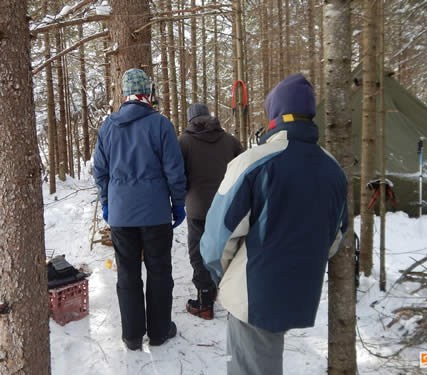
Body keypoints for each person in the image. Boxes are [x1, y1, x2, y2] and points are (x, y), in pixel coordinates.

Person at [200, 74, 348, 374]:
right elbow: (336, 237)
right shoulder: (333, 169)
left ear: (274, 116)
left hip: (252, 292)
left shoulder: (253, 163)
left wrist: (222, 277)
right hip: (299, 291)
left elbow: (217, 240)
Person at [93, 68, 186, 351]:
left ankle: (132, 336)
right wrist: (178, 202)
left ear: (125, 94)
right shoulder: (161, 125)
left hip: (122, 215)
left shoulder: (108, 126)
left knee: (127, 273)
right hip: (155, 213)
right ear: (148, 92)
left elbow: (100, 171)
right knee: (159, 270)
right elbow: (174, 170)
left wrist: (108, 203)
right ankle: (158, 332)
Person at [179, 103, 242, 320]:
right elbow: (244, 168)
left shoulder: (184, 141)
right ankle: (233, 296)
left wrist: (184, 193)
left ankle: (205, 301)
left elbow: (177, 173)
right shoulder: (229, 140)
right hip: (226, 206)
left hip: (197, 207)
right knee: (226, 248)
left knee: (198, 252)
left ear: (190, 120)